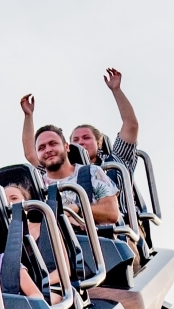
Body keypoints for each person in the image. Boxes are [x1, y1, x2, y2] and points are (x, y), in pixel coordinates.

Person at [17, 96, 120, 225]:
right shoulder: (38, 185)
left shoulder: (92, 172)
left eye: (53, 144)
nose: (48, 150)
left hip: (92, 236)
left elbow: (112, 213)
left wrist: (75, 210)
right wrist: (28, 116)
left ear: (66, 147)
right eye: (42, 148)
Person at [71, 69, 140, 177]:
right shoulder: (60, 171)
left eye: (86, 138)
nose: (80, 142)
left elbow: (131, 125)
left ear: (98, 143)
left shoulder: (115, 162)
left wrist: (116, 90)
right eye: (75, 140)